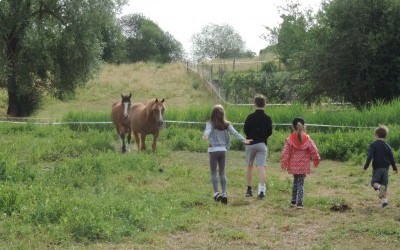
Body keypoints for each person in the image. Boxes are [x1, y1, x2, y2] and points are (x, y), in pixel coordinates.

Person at [203, 104, 251, 205]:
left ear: (213, 114)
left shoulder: (210, 123)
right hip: (223, 150)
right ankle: (224, 193)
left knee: (213, 172)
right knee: (222, 172)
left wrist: (206, 135)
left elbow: (207, 131)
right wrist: (244, 140)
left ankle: (216, 193)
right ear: (222, 114)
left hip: (213, 150)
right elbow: (235, 133)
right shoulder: (227, 124)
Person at [281, 117, 320, 209]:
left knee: (295, 182)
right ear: (303, 126)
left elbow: (285, 152)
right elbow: (314, 150)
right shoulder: (307, 139)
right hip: (303, 166)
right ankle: (300, 203)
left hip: (293, 166)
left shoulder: (290, 139)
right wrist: (316, 160)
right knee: (301, 184)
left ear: (293, 127)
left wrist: (284, 163)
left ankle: (293, 202)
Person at [243, 95, 273, 199]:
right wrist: (262, 137)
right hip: (262, 144)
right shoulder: (267, 118)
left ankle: (249, 190)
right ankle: (261, 191)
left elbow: (245, 129)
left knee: (249, 166)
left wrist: (251, 136)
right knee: (261, 167)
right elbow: (270, 132)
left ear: (254, 104)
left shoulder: (250, 117)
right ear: (265, 104)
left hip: (250, 143)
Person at [363, 125, 398, 208]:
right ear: (385, 135)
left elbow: (369, 157)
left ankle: (379, 187)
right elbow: (392, 158)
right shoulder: (388, 146)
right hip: (386, 169)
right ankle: (385, 202)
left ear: (376, 135)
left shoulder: (373, 145)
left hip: (377, 168)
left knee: (374, 183)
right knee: (384, 185)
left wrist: (365, 167)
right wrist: (395, 168)